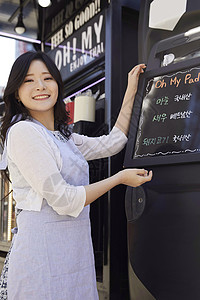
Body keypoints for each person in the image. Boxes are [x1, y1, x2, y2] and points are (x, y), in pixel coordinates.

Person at [0, 51, 152, 300]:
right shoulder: (23, 132)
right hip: (40, 257)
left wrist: (131, 90)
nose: (40, 86)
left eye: (47, 78)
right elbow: (64, 200)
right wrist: (119, 178)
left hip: (74, 250)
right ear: (17, 92)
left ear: (58, 85)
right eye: (29, 80)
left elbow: (112, 143)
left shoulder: (63, 136)